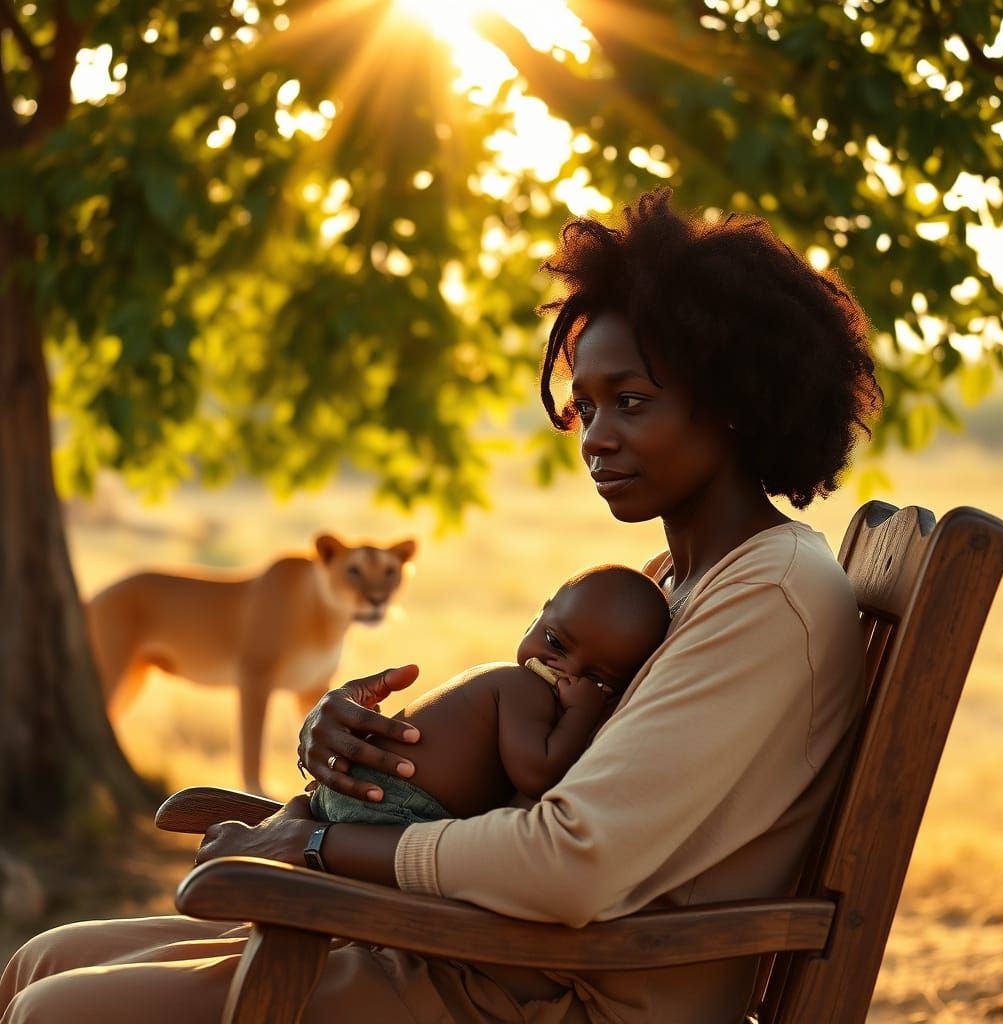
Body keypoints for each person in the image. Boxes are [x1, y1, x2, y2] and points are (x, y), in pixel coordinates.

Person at [1, 189, 881, 1024]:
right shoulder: (671, 583)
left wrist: (313, 849)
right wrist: (354, 765)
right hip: (485, 955)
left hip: (555, 997)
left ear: (734, 402)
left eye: (633, 402)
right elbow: (524, 784)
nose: (597, 436)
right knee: (41, 960)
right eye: (586, 405)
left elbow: (570, 864)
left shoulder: (767, 597)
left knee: (54, 1009)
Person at [308, 564, 671, 826]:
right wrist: (583, 713)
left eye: (594, 678)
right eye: (554, 642)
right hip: (389, 806)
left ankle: (301, 817)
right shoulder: (523, 687)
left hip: (367, 793)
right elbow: (539, 775)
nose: (565, 670)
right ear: (535, 620)